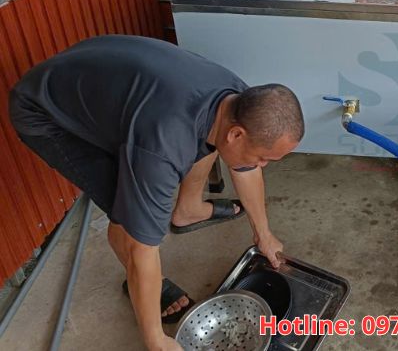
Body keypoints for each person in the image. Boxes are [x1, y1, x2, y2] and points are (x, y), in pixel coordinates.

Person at [8, 35, 304, 351]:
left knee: (207, 140)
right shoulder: (160, 151)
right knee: (127, 218)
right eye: (264, 158)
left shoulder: (237, 100)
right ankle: (148, 289)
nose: (262, 165)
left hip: (94, 71)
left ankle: (188, 210)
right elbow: (141, 247)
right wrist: (156, 340)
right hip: (44, 112)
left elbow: (244, 166)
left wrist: (264, 234)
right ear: (237, 134)